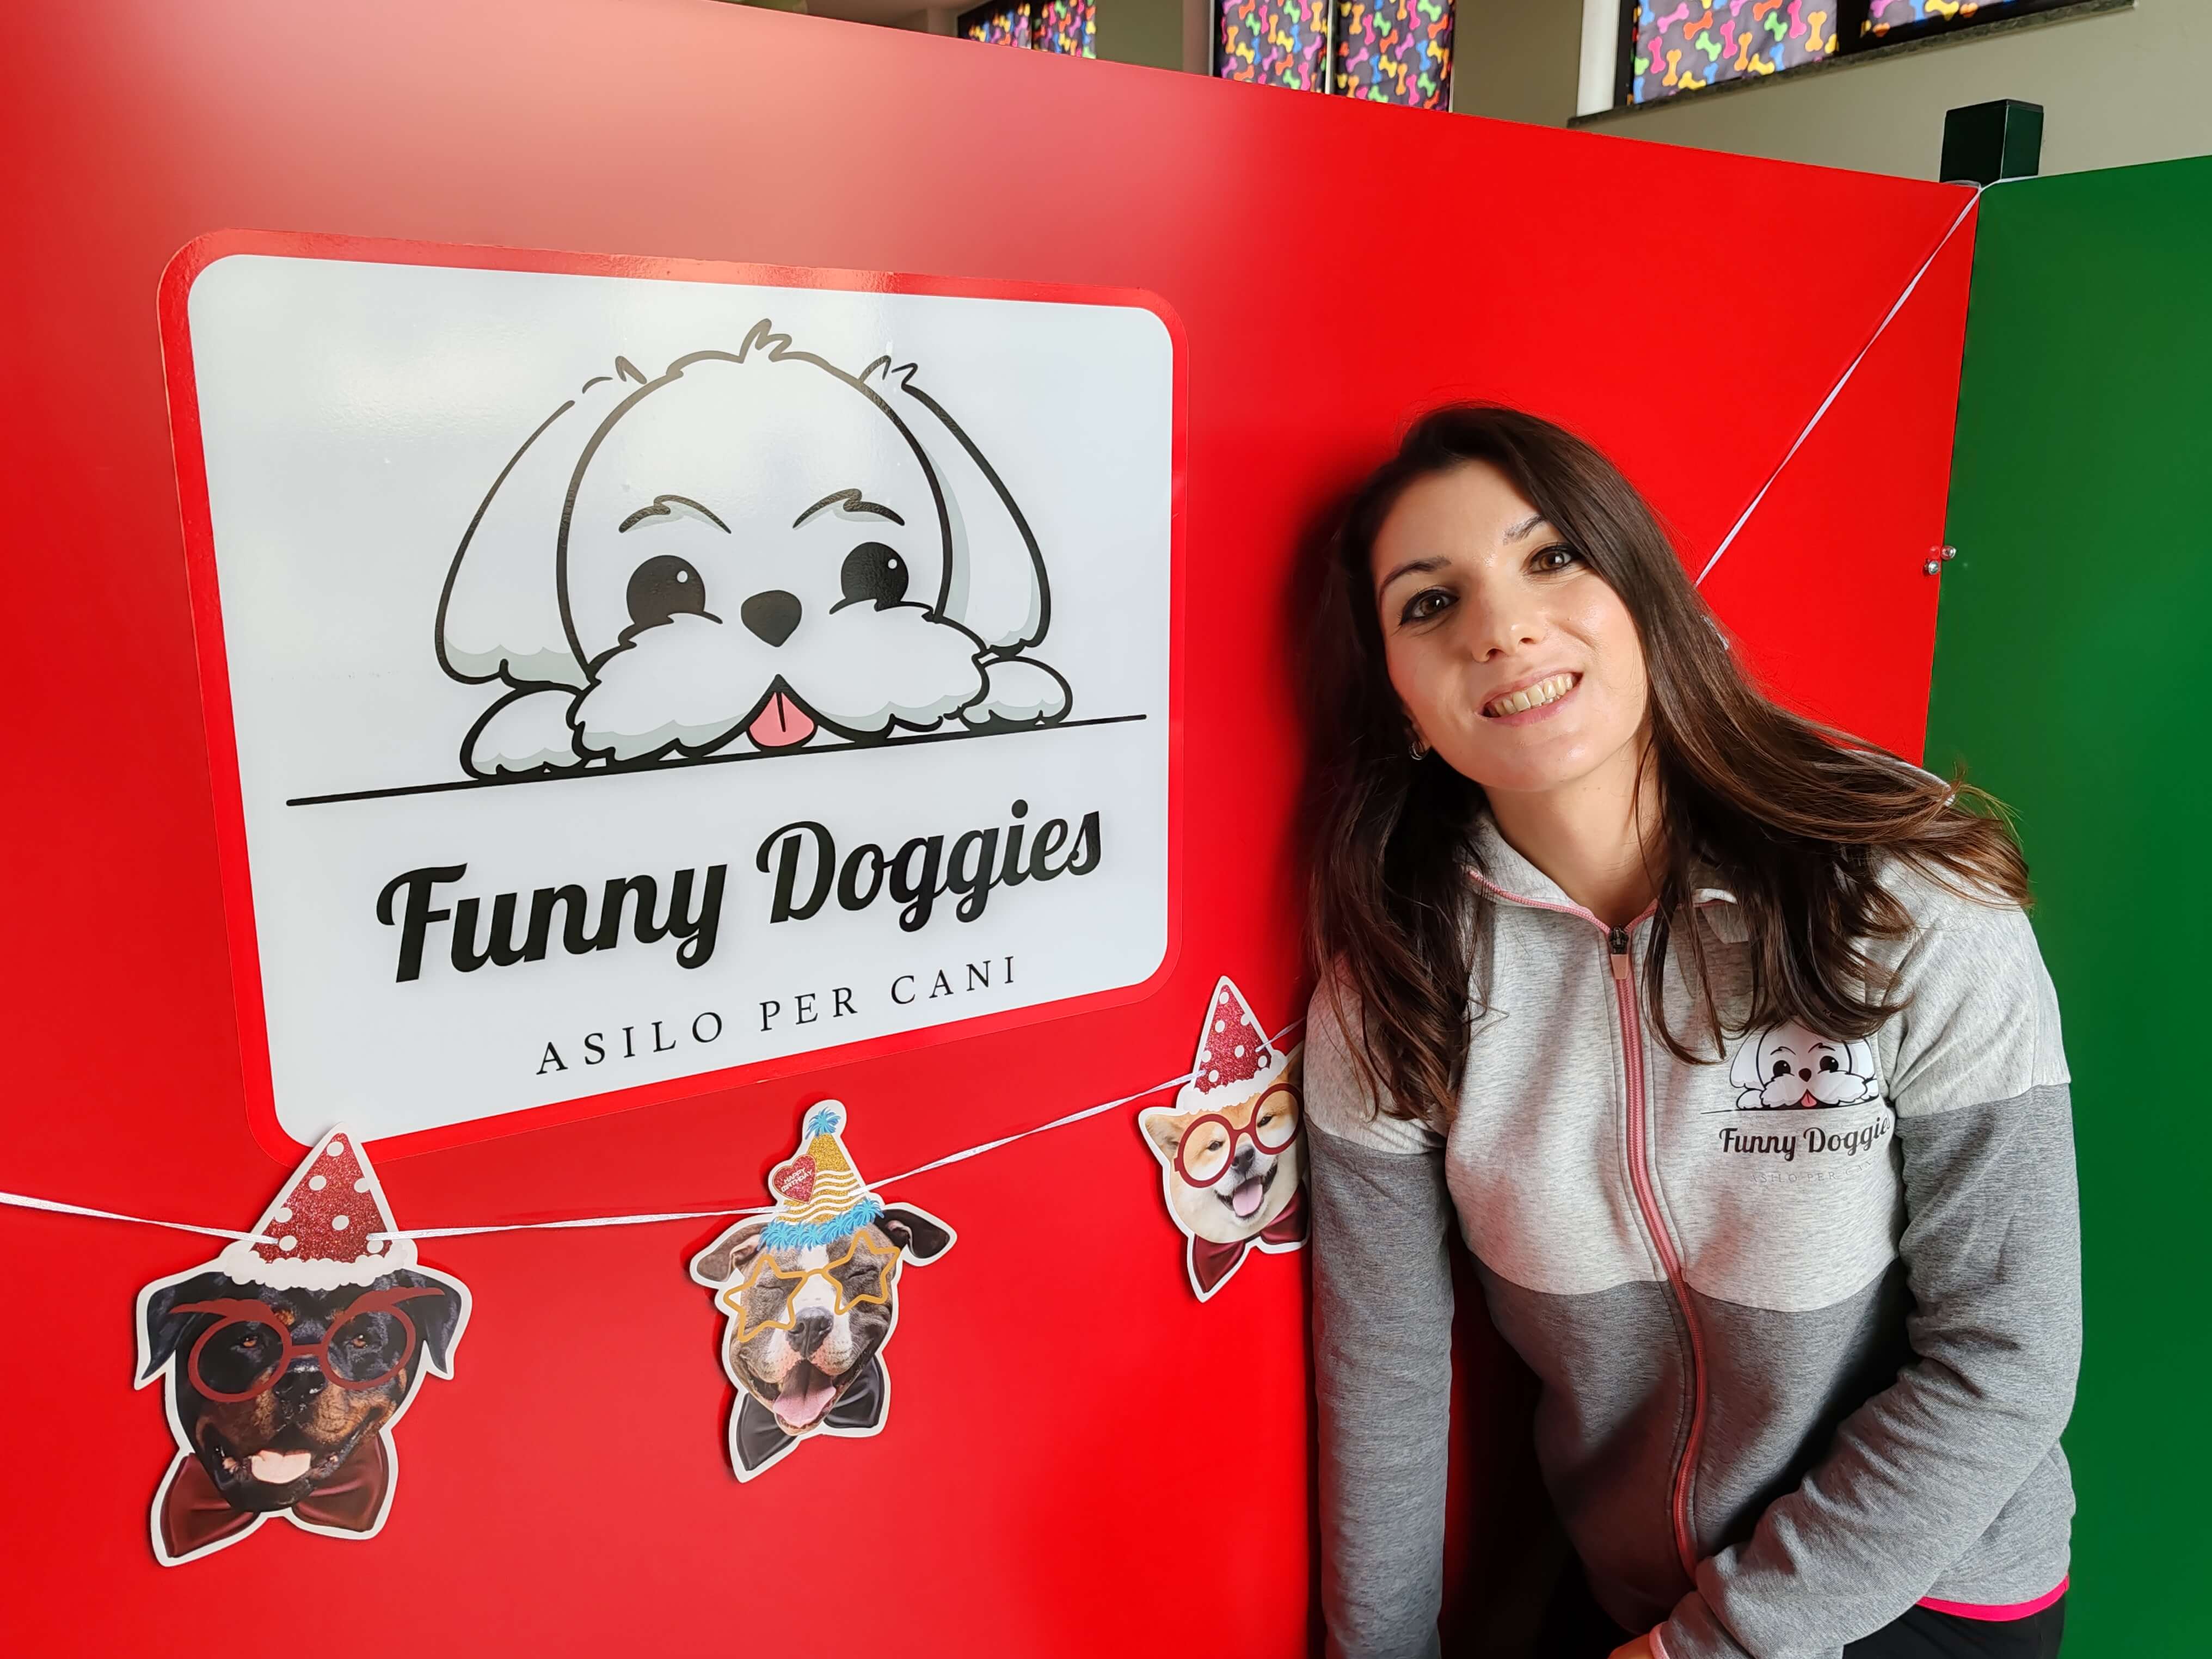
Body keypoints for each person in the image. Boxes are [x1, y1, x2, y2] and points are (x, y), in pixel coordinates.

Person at [1302, 406, 2079, 1659]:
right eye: (1430, 603)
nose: (1502, 626)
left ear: (1646, 599)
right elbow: (1381, 1379)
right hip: (1633, 1592)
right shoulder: (1394, 984)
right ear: (1400, 702)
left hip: (1927, 1584)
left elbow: (2009, 1356)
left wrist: (1711, 1646)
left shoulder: (1903, 893)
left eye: (1552, 557)